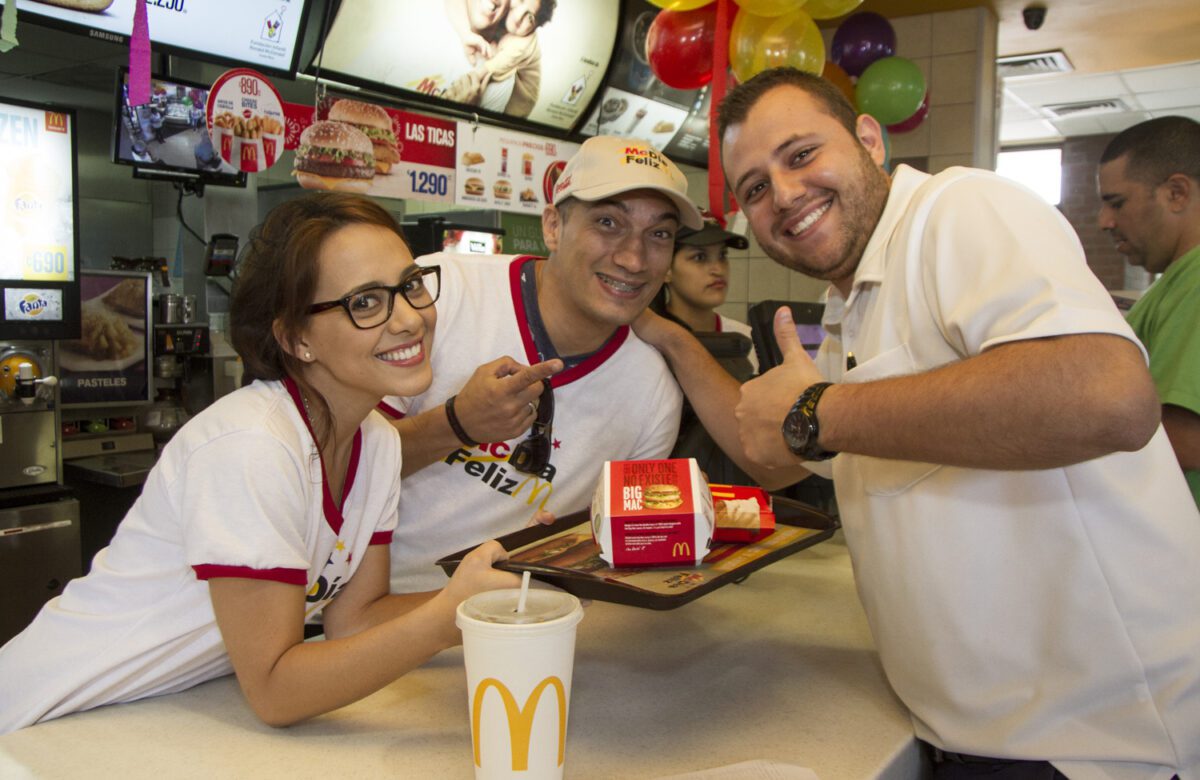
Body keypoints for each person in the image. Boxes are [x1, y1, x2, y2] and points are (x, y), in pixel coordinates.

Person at [633, 67, 1200, 777]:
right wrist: (672, 339)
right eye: (754, 188)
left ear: (869, 139)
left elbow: (1108, 395)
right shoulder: (850, 306)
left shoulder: (960, 209)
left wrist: (817, 410)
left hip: (1092, 746)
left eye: (801, 154)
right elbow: (779, 457)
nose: (782, 195)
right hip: (971, 735)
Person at [0, 193, 522, 734]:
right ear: (296, 337)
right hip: (39, 719)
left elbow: (355, 621)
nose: (411, 319)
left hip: (142, 721)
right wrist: (445, 619)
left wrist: (498, 594)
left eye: (410, 285)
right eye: (365, 302)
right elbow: (276, 689)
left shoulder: (376, 444)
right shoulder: (252, 445)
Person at [379, 135, 714, 593]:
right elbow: (325, 465)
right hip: (359, 610)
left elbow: (617, 549)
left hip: (515, 627)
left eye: (659, 234)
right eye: (608, 222)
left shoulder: (653, 392)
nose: (634, 259)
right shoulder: (443, 293)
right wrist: (457, 423)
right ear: (553, 226)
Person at [1097, 116, 1200, 507]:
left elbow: (1187, 440)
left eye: (1117, 204)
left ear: (1176, 193)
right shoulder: (1174, 282)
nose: (1104, 221)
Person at [650, 211, 757, 372]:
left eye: (722, 255)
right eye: (700, 257)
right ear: (666, 269)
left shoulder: (748, 340)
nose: (718, 269)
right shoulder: (646, 343)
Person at [443, 0, 554, 118]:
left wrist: (470, 80)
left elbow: (496, 65)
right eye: (521, 1)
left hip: (518, 104)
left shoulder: (522, 44)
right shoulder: (503, 16)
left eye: (530, 18)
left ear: (536, 27)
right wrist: (465, 34)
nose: (518, 16)